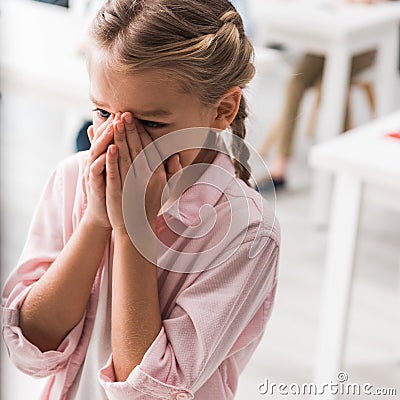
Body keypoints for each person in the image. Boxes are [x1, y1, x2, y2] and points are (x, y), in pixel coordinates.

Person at [1, 1, 280, 399]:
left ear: (223, 109)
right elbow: (29, 348)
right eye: (102, 113)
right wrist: (96, 222)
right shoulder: (71, 180)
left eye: (151, 123)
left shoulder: (248, 232)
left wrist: (134, 230)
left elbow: (148, 393)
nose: (120, 140)